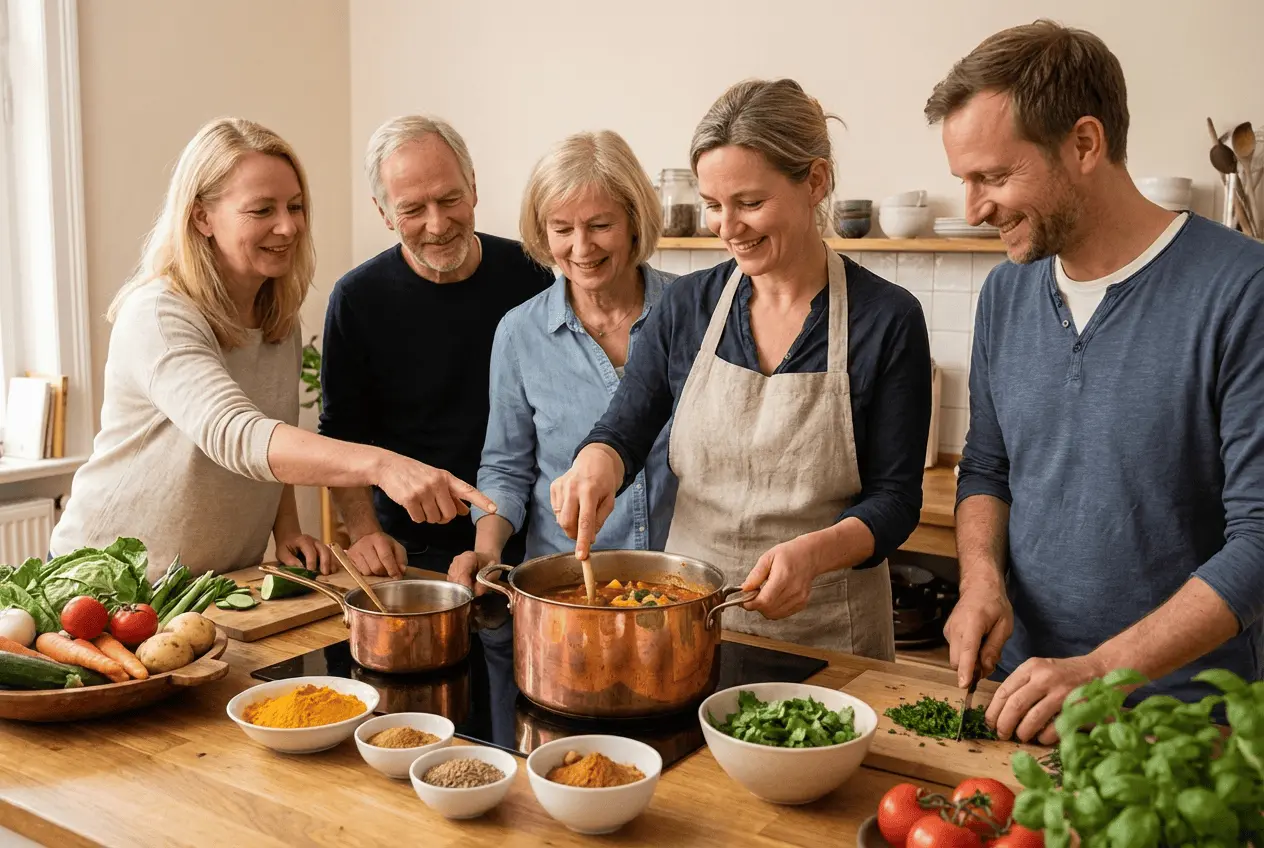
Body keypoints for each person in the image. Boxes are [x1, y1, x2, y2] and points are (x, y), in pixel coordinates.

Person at [927, 21, 1264, 743]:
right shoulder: (1005, 296)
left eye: (993, 175)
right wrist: (981, 577)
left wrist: (1103, 669)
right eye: (964, 179)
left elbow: (1260, 541)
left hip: (1188, 726)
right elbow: (988, 468)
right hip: (1027, 704)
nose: (973, 209)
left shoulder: (1241, 291)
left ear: (1084, 143)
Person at [551, 80, 932, 657]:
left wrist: (813, 555)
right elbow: (624, 428)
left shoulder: (885, 319)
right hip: (690, 621)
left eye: (750, 203)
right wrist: (595, 465)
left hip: (831, 632)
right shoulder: (688, 307)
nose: (728, 227)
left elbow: (896, 500)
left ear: (816, 181)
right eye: (713, 205)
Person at [50, 118, 496, 582]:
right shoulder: (159, 314)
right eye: (262, 210)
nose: (288, 226)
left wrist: (287, 527)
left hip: (210, 581)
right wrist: (383, 465)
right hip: (106, 578)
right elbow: (235, 433)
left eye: (295, 206)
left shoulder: (276, 315)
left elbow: (270, 428)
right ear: (202, 216)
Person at [319, 116, 554, 578]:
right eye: (413, 209)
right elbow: (340, 437)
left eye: (450, 199)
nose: (438, 224)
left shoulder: (530, 274)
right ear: (384, 213)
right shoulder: (356, 299)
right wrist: (365, 533)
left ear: (473, 188)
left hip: (525, 542)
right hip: (412, 551)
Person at [447, 131, 678, 590]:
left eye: (599, 225)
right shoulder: (519, 332)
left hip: (680, 581)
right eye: (562, 228)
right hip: (566, 587)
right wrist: (487, 550)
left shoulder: (689, 312)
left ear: (635, 220)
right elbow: (506, 468)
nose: (581, 247)